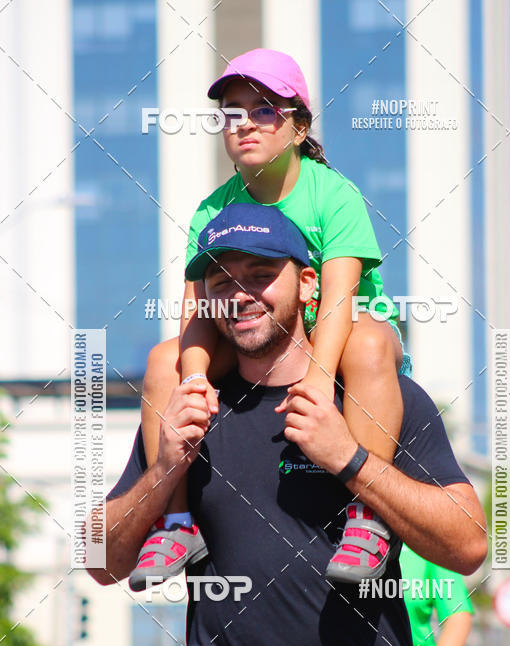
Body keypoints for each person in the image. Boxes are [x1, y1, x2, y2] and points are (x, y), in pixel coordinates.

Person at [88, 203, 488, 646]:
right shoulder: (191, 403)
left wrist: (351, 459)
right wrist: (164, 471)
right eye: (219, 278)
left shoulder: (374, 396)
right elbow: (98, 556)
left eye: (259, 273)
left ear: (308, 284)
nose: (238, 292)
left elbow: (469, 543)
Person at [129, 48, 412, 591]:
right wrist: (192, 382)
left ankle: (369, 520)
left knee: (369, 343)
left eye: (263, 110)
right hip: (261, 332)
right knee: (165, 360)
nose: (244, 124)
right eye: (232, 112)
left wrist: (316, 378)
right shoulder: (212, 210)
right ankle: (176, 521)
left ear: (299, 126)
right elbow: (199, 311)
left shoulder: (335, 195)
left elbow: (338, 301)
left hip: (343, 328)